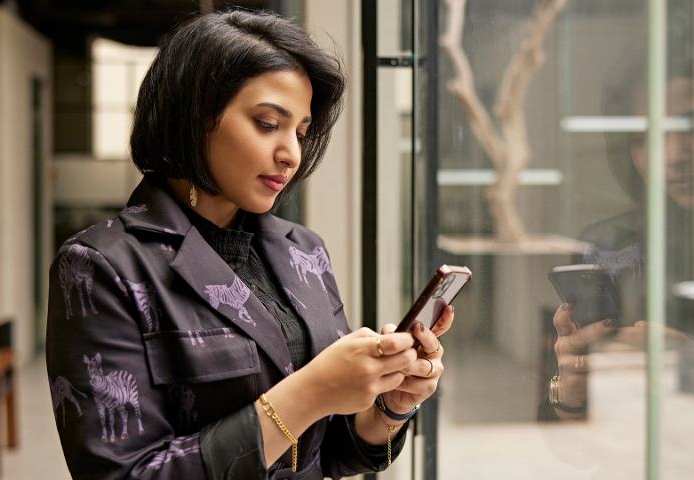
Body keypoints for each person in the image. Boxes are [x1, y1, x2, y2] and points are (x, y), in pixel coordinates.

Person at [46, 9, 452, 479]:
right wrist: (310, 393)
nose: (292, 154)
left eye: (301, 132)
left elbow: (330, 454)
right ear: (194, 115)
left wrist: (388, 407)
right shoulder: (102, 267)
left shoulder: (304, 251)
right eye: (266, 124)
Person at [540, 38, 694, 421]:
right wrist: (573, 393)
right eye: (645, 137)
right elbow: (573, 456)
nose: (675, 156)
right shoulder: (606, 245)